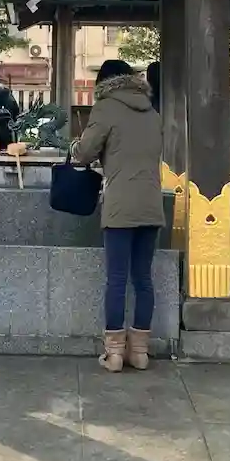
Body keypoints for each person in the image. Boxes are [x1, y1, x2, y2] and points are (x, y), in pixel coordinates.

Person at [72, 58, 164, 373]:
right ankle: (139, 353)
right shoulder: (152, 112)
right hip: (151, 204)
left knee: (117, 279)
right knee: (143, 279)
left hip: (120, 205)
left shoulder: (105, 108)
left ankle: (113, 354)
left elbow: (85, 153)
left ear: (104, 83)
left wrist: (75, 147)